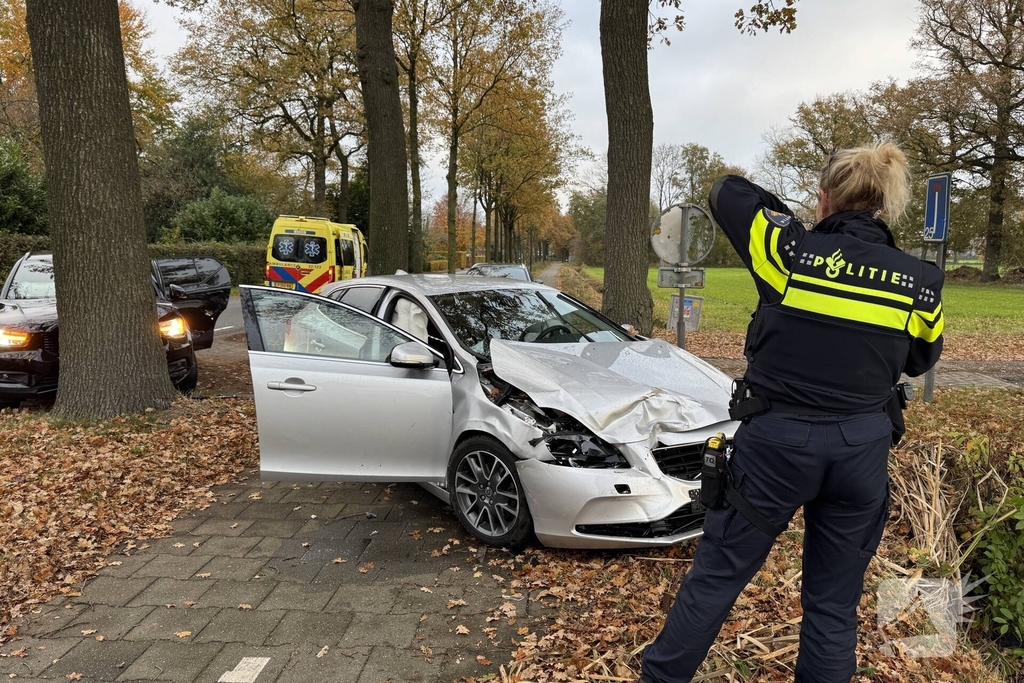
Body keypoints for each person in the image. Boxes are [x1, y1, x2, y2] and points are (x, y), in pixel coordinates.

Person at [639, 142, 944, 683]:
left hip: (777, 447)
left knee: (717, 579)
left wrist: (807, 219)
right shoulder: (918, 279)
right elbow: (920, 359)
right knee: (832, 608)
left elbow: (727, 191)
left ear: (824, 198)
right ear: (881, 204)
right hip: (860, 452)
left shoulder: (789, 253)